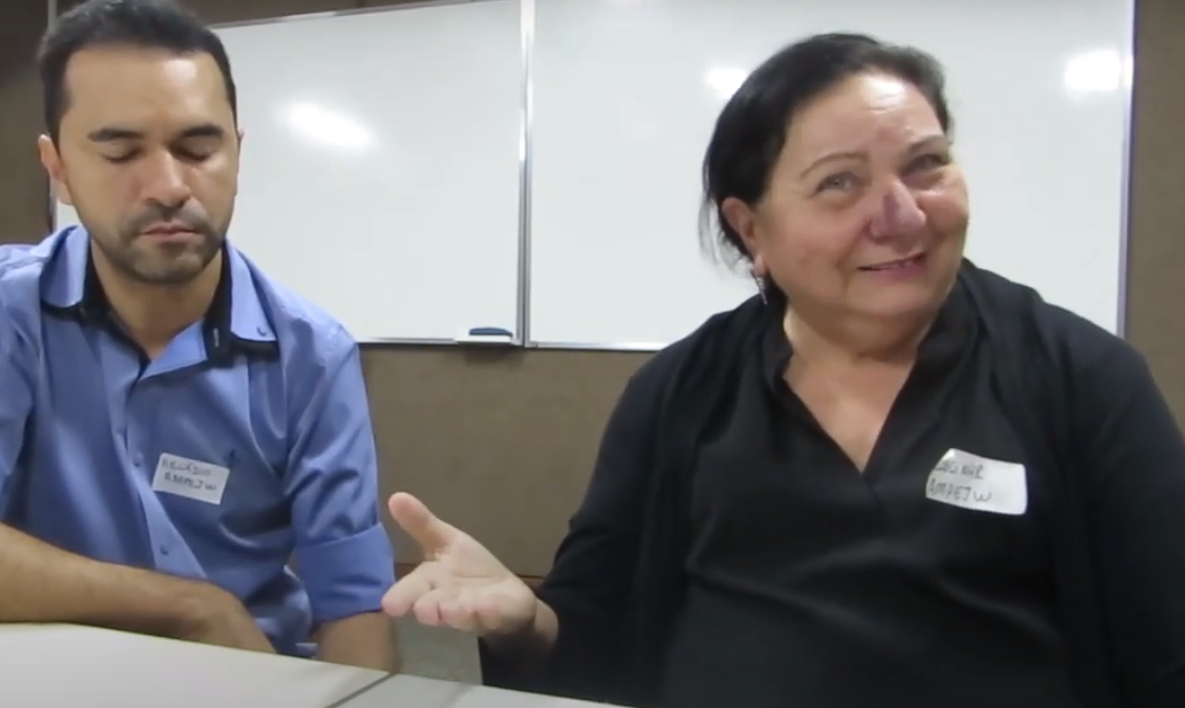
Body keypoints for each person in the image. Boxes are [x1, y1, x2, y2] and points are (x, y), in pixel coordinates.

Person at [381, 32, 1185, 708]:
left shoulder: (1081, 378)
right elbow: (593, 627)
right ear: (750, 228)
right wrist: (523, 619)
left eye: (926, 164)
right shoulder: (679, 394)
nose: (901, 214)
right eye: (840, 183)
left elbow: (1164, 651)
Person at [0, 0, 398, 671]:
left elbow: (352, 605)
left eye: (198, 147)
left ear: (238, 154)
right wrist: (192, 607)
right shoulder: (12, 313)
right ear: (58, 168)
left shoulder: (313, 356)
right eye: (121, 151)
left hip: (241, 680)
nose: (167, 185)